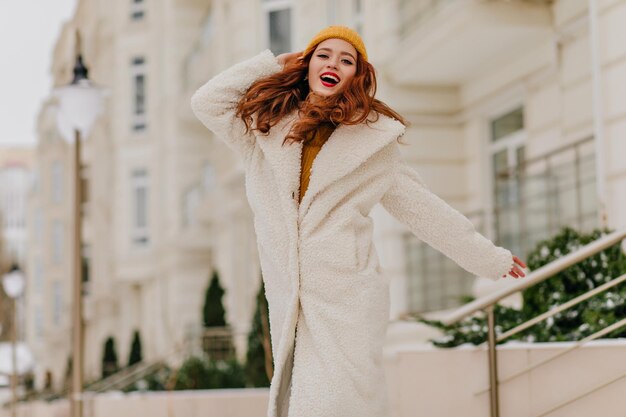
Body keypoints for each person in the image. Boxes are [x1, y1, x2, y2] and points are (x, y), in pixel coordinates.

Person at [191, 25, 527, 417]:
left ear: (357, 75)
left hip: (347, 297)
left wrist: (490, 259)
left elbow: (425, 210)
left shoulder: (373, 145)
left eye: (346, 59)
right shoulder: (265, 129)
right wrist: (272, 63)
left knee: (333, 405)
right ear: (308, 64)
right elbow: (207, 102)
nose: (333, 63)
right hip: (290, 298)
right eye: (324, 55)